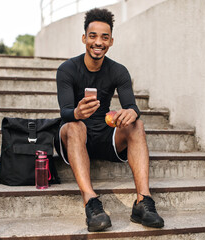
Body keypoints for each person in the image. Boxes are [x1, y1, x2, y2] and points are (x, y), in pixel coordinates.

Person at [54, 8, 164, 232]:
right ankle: (91, 202)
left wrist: (132, 112)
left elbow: (131, 105)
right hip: (75, 136)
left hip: (105, 136)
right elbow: (64, 112)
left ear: (111, 41)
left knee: (137, 124)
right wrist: (77, 113)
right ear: (84, 38)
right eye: (93, 36)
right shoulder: (67, 69)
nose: (98, 42)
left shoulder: (119, 71)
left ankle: (143, 202)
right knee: (74, 126)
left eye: (104, 37)